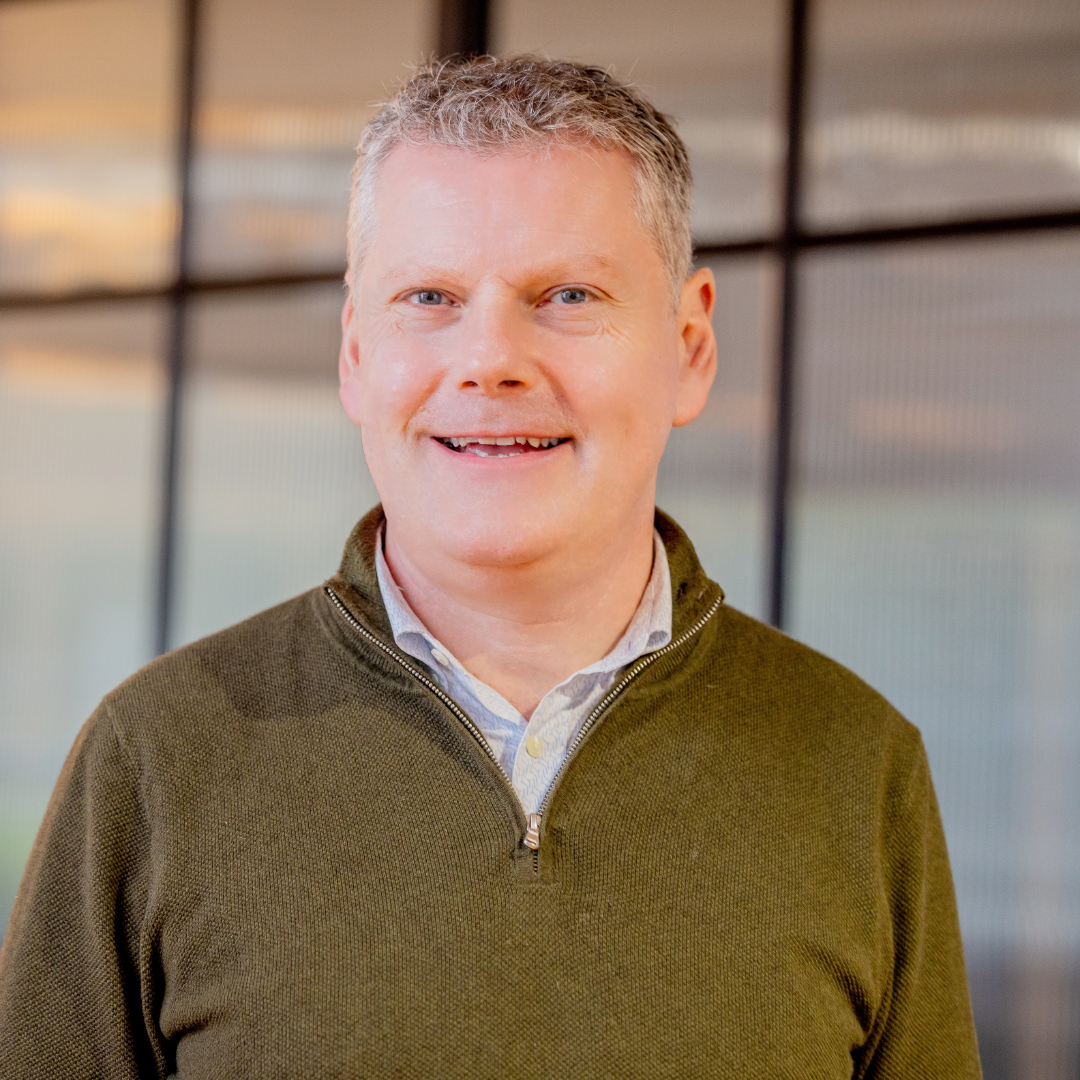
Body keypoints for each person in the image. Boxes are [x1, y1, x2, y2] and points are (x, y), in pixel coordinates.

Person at [0, 56, 982, 1078]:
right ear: (354, 351)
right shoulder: (154, 758)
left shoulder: (856, 767)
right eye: (429, 296)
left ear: (688, 344)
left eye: (565, 294)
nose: (489, 360)